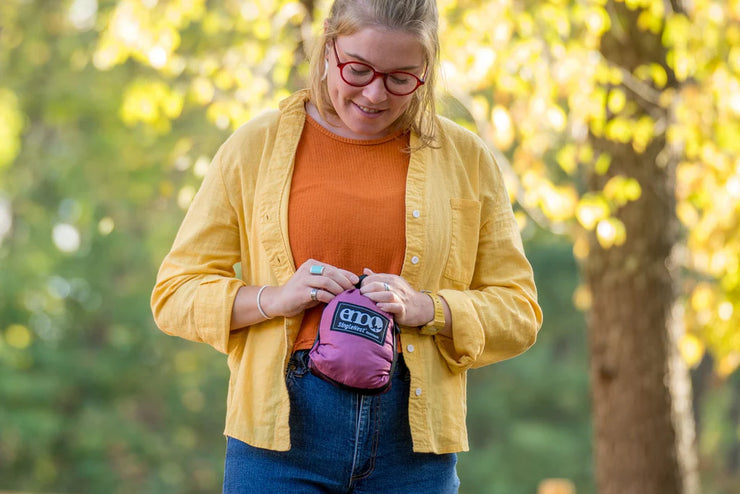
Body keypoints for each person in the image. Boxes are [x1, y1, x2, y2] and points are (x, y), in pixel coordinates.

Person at [151, 0, 543, 492]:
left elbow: (520, 311)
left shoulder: (467, 159)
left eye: (401, 78)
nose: (375, 94)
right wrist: (274, 297)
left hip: (414, 445)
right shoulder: (254, 148)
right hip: (279, 439)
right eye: (357, 70)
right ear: (327, 48)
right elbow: (174, 294)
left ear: (426, 71)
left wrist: (428, 308)